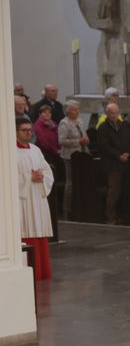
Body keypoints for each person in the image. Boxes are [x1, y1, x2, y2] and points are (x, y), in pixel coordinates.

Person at [15, 117, 54, 280]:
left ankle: (43, 271)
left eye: (30, 130)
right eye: (24, 130)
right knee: (26, 232)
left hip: (37, 198)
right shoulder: (10, 152)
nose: (28, 133)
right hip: (23, 201)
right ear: (16, 132)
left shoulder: (35, 150)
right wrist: (28, 176)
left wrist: (41, 176)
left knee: (39, 233)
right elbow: (7, 178)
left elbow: (48, 172)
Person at [93, 102, 130, 224]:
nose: (114, 115)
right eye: (111, 113)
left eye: (116, 113)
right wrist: (118, 155)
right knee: (114, 190)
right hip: (112, 164)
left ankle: (122, 214)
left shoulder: (124, 125)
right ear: (106, 114)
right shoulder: (103, 128)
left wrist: (128, 153)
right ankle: (110, 216)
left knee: (125, 190)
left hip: (126, 162)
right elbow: (104, 146)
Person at [33, 105, 65, 231]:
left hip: (55, 153)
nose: (47, 115)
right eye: (45, 113)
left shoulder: (53, 125)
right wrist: (55, 150)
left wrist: (58, 148)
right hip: (47, 153)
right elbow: (43, 140)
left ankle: (57, 207)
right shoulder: (38, 125)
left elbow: (56, 137)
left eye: (49, 113)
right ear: (40, 114)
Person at [57, 100, 89, 215]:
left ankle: (79, 205)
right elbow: (61, 141)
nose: (77, 111)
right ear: (67, 111)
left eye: (78, 109)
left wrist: (86, 140)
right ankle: (67, 209)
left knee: (81, 181)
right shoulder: (64, 123)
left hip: (82, 154)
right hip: (70, 156)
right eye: (74, 110)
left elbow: (84, 135)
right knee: (70, 183)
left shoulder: (80, 121)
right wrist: (78, 141)